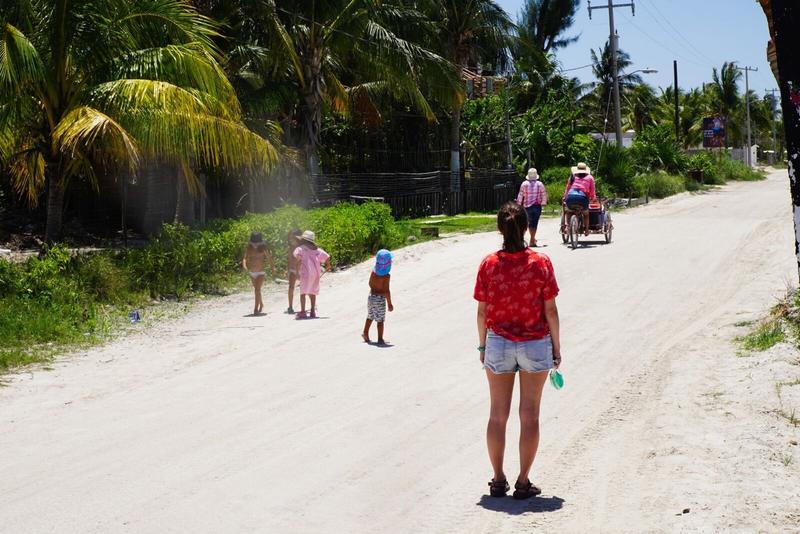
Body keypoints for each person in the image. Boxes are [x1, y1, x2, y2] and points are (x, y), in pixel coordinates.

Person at [474, 201, 561, 500]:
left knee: (497, 415)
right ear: (526, 228)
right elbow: (550, 310)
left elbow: (482, 313)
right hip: (535, 344)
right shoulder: (541, 263)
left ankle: (498, 479)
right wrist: (557, 350)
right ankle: (523, 482)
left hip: (498, 343)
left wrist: (483, 346)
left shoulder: (488, 264)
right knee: (530, 416)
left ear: (500, 229)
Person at [293, 230, 330, 319]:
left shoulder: (300, 248)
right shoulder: (316, 249)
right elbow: (327, 256)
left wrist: (296, 269)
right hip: (316, 273)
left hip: (305, 273)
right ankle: (312, 311)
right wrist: (328, 265)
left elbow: (297, 258)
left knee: (303, 292)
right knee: (312, 292)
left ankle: (303, 312)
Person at [362, 249, 394, 345]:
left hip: (371, 296)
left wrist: (374, 289)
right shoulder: (386, 276)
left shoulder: (373, 273)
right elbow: (386, 291)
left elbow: (370, 283)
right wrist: (389, 303)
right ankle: (380, 339)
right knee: (380, 320)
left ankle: (365, 333)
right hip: (380, 299)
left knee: (370, 316)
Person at [242, 232, 275, 316]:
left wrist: (272, 267)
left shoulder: (263, 249)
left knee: (257, 290)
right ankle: (261, 303)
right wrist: (244, 265)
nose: (255, 245)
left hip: (260, 272)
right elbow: (245, 258)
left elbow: (269, 258)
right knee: (257, 291)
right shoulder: (249, 248)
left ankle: (255, 309)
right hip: (252, 272)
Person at [562, 162, 597, 237]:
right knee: (586, 214)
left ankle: (568, 227)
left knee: (569, 212)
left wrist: (565, 197)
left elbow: (567, 188)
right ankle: (586, 230)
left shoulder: (572, 176)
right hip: (582, 199)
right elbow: (592, 190)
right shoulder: (590, 177)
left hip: (570, 197)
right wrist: (593, 198)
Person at [516, 168, 547, 247]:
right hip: (537, 206)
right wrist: (543, 203)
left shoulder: (524, 184)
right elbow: (543, 194)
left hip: (527, 207)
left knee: (527, 223)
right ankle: (532, 240)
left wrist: (518, 204)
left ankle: (528, 240)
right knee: (534, 223)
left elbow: (520, 195)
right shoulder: (540, 184)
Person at [286, 229, 302, 314]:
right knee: (291, 287)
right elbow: (289, 260)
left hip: (301, 270)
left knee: (304, 288)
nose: (290, 240)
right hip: (292, 270)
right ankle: (290, 306)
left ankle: (307, 305)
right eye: (289, 238)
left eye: (292, 238)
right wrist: (287, 270)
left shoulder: (302, 248)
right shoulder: (290, 248)